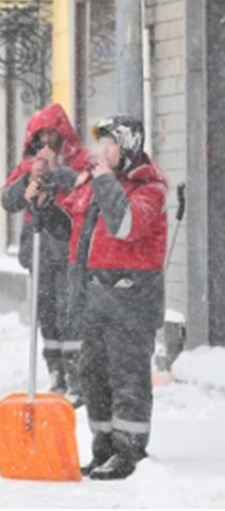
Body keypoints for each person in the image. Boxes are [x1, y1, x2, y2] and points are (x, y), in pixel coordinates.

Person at [43, 115, 167, 481]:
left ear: (128, 145)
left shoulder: (149, 188)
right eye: (101, 143)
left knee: (127, 376)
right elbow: (71, 229)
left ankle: (129, 451)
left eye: (110, 143)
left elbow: (125, 225)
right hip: (94, 295)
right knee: (93, 375)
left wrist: (106, 182)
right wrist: (45, 208)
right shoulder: (92, 180)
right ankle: (104, 447)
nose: (102, 150)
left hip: (131, 294)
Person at [1, 104, 89, 403]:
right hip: (38, 249)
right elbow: (8, 200)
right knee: (47, 316)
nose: (48, 140)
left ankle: (77, 376)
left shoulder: (81, 161)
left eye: (53, 133)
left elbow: (87, 189)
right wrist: (27, 180)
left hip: (68, 248)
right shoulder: (28, 165)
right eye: (42, 135)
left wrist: (57, 172)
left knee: (70, 314)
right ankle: (56, 374)